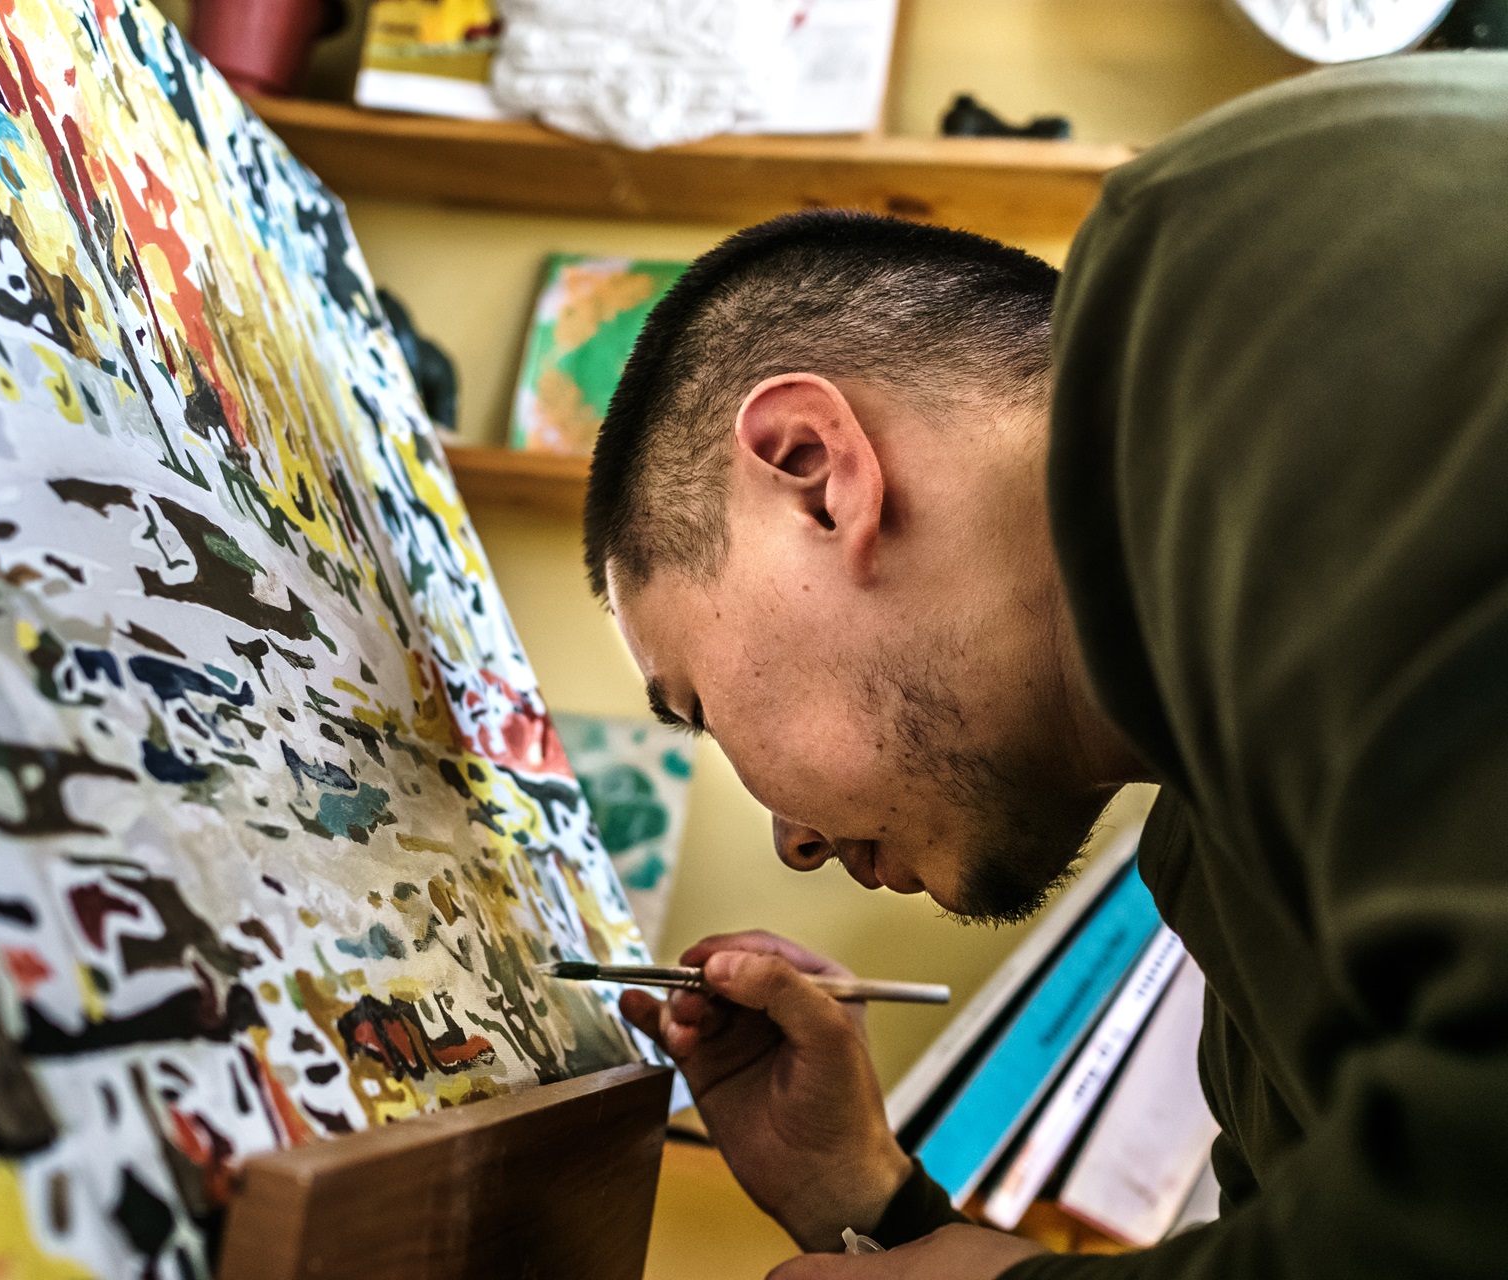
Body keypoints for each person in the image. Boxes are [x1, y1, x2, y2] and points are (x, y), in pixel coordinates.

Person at [582, 53, 1508, 1279]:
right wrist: (871, 1203)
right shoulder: (1214, 851)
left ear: (815, 473)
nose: (793, 841)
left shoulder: (1261, 262)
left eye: (698, 704)